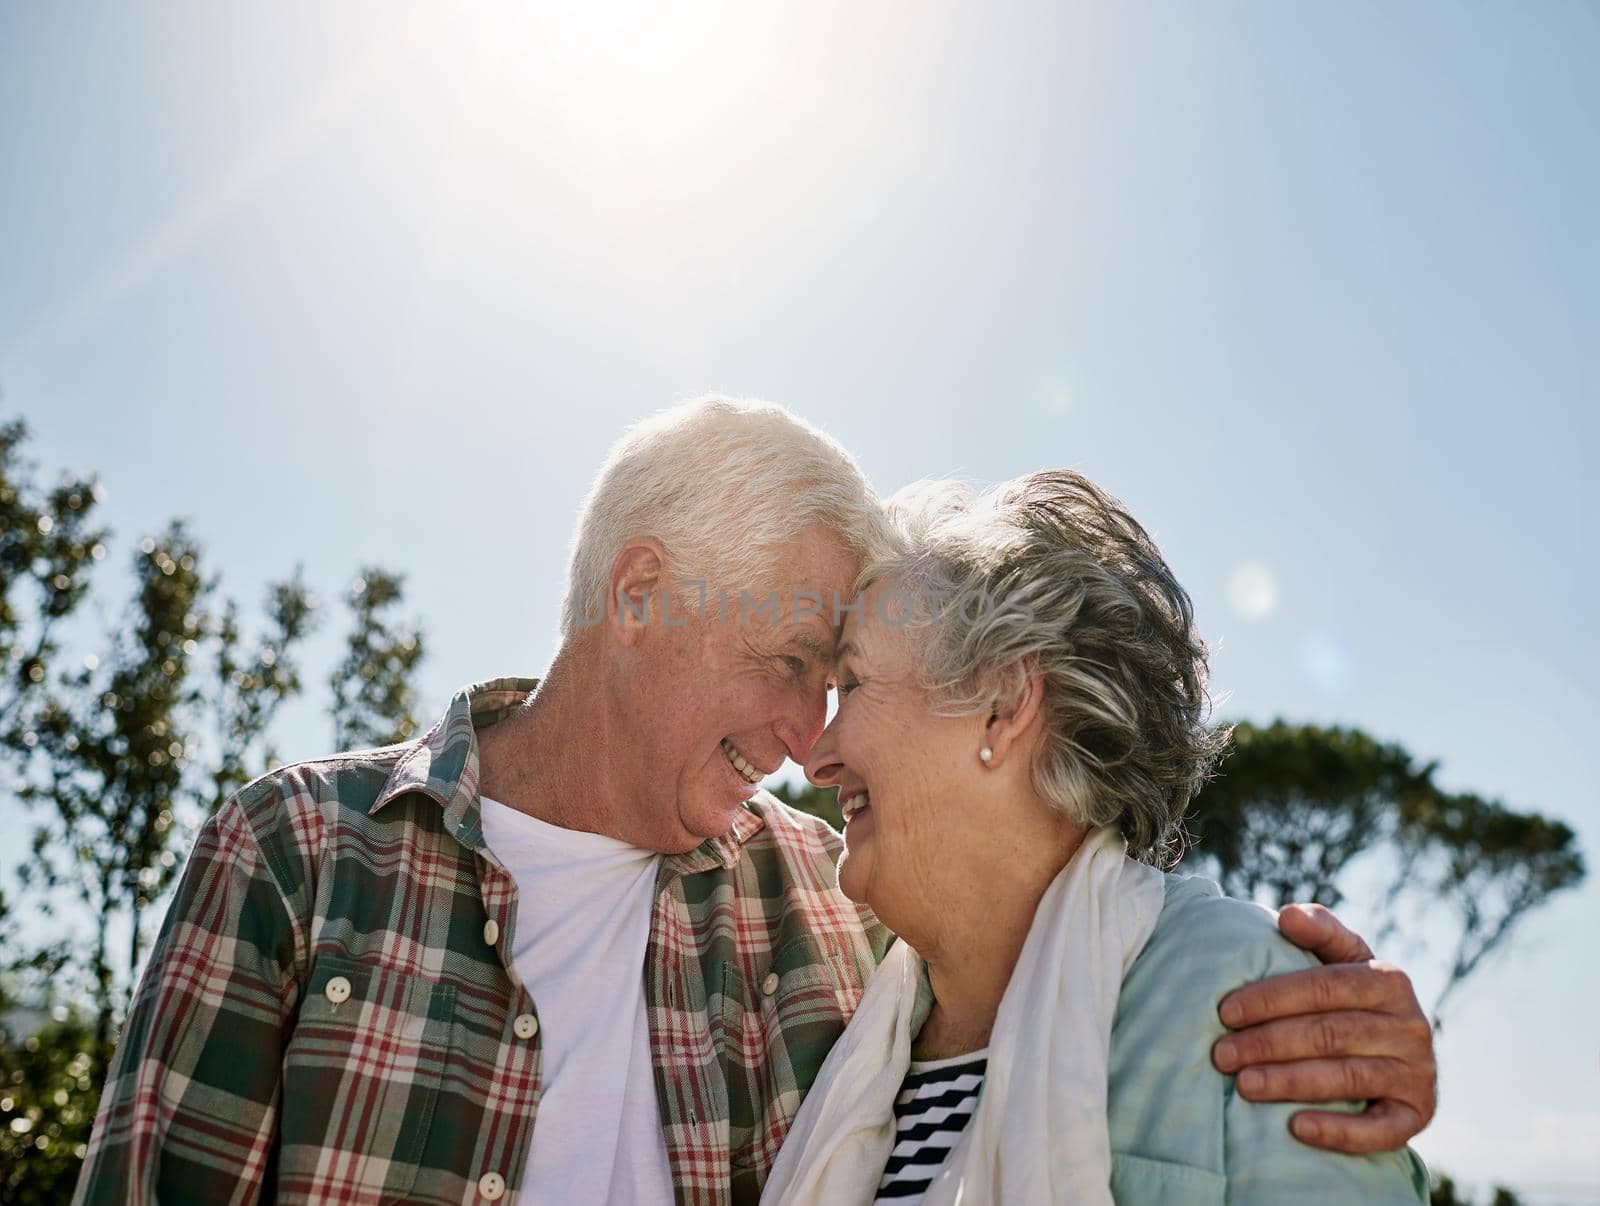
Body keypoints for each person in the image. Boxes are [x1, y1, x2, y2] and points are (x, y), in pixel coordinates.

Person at [76, 398, 1436, 1205]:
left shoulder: (824, 903)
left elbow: (1097, 985)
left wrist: (1359, 1038)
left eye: (841, 678)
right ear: (642, 592)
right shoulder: (300, 853)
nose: (805, 739)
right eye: (797, 664)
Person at [761, 470, 1432, 1204]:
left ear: (1003, 704)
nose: (814, 754)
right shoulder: (844, 1009)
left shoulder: (1255, 999)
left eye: (852, 685)